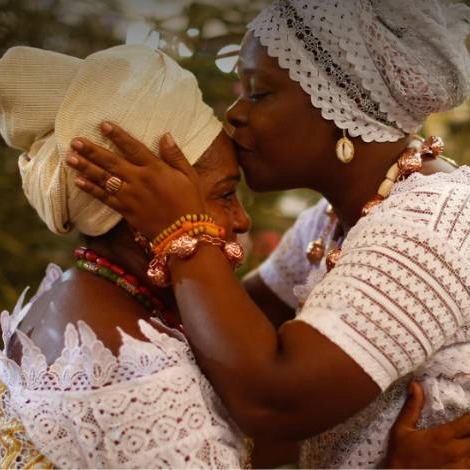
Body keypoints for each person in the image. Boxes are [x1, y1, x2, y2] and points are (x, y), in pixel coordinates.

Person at [65, 0, 470, 468]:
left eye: (258, 93)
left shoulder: (434, 225)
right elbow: (229, 334)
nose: (233, 115)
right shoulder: (331, 219)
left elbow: (275, 401)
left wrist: (181, 229)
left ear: (340, 106)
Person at [0, 43, 254, 468]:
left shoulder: (68, 295)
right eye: (225, 195)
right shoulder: (138, 370)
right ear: (142, 210)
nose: (242, 219)